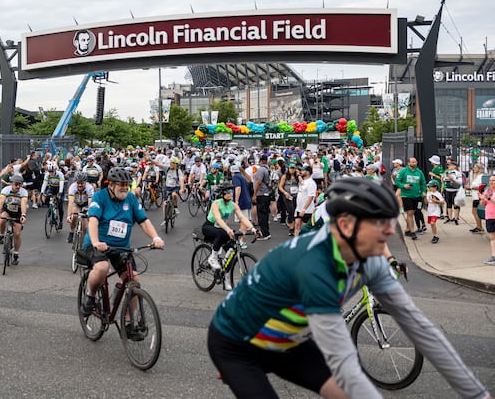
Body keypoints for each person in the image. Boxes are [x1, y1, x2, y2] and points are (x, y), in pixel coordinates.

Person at [207, 177, 492, 399]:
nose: (391, 230)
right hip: (237, 345)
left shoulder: (371, 263)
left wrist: (478, 394)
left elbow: (422, 330)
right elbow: (344, 363)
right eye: (380, 222)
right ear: (345, 224)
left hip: (289, 342)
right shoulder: (313, 266)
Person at [79, 167, 164, 329]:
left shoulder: (131, 199)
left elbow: (143, 221)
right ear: (110, 185)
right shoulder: (100, 196)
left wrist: (156, 237)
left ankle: (127, 322)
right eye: (121, 184)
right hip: (98, 244)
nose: (125, 187)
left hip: (120, 247)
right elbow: (93, 220)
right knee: (102, 267)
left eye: (127, 184)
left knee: (134, 280)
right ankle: (90, 296)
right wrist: (96, 242)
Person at [203, 181, 256, 290]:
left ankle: (226, 278)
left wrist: (253, 228)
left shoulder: (233, 205)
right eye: (227, 191)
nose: (230, 193)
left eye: (231, 191)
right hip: (209, 227)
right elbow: (218, 219)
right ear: (222, 193)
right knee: (222, 233)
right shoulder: (216, 203)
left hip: (222, 228)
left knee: (232, 250)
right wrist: (228, 229)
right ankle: (212, 257)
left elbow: (242, 217)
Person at [0, 173, 29, 265]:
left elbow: (23, 203)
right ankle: (2, 235)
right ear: (11, 184)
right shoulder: (6, 190)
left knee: (17, 233)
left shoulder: (23, 192)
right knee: (2, 219)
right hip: (8, 209)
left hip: (18, 211)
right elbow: (1, 202)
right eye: (16, 184)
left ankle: (16, 253)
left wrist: (23, 215)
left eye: (20, 184)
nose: (18, 186)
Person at [394, 157, 426, 240]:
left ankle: (407, 229)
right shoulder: (403, 171)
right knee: (410, 212)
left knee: (413, 212)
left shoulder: (419, 172)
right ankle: (412, 232)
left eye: (415, 162)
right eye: (412, 162)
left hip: (417, 195)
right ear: (408, 163)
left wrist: (423, 191)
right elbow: (397, 181)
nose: (414, 163)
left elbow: (423, 183)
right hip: (406, 195)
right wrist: (403, 186)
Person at [66, 171, 95, 243]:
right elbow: (71, 202)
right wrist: (69, 216)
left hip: (85, 204)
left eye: (82, 183)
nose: (80, 185)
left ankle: (84, 242)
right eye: (78, 183)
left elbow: (90, 202)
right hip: (77, 203)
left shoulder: (89, 188)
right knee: (74, 216)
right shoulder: (72, 187)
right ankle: (71, 232)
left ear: (85, 182)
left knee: (85, 226)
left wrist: (89, 213)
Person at [251, 155, 272, 240]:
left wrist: (254, 194)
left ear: (260, 161)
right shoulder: (268, 169)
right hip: (267, 193)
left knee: (261, 215)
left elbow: (259, 182)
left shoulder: (261, 170)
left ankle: (264, 233)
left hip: (261, 194)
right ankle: (266, 232)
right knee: (265, 214)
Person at [293, 164, 316, 237]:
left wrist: (304, 209)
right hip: (298, 208)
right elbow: (301, 181)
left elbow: (310, 197)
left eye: (303, 170)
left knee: (304, 228)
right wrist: (298, 174)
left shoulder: (311, 183)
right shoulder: (303, 181)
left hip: (307, 210)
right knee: (296, 225)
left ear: (308, 172)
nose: (301, 172)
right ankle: (295, 243)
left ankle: (304, 245)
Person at [162, 156, 184, 226]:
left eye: (172, 163)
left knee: (174, 195)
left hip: (175, 187)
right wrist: (150, 159)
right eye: (170, 163)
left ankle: (175, 207)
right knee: (165, 204)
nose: (171, 164)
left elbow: (181, 180)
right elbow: (158, 164)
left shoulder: (178, 171)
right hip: (167, 187)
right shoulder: (167, 169)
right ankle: (165, 218)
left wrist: (181, 188)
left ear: (176, 164)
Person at [279, 163, 299, 236]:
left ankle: (295, 227)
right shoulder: (285, 176)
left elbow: (301, 183)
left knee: (296, 211)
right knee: (291, 211)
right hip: (288, 196)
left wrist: (298, 175)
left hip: (296, 195)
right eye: (291, 168)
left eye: (293, 168)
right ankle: (291, 228)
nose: (292, 170)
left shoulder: (297, 176)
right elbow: (280, 186)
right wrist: (285, 193)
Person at [442, 159, 463, 225]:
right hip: (448, 190)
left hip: (455, 190)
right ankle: (450, 218)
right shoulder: (447, 172)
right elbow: (444, 179)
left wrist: (453, 179)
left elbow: (460, 182)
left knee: (455, 204)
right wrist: (446, 179)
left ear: (454, 166)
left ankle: (456, 218)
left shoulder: (457, 173)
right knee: (449, 204)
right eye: (448, 165)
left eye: (450, 165)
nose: (449, 166)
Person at [425, 180, 445, 244]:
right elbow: (426, 202)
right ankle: (434, 235)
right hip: (430, 210)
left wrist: (436, 201)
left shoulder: (437, 194)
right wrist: (424, 197)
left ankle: (436, 236)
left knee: (433, 222)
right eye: (429, 187)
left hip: (436, 210)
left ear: (435, 187)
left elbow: (443, 201)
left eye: (430, 187)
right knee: (431, 224)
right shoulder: (428, 193)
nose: (429, 188)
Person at [482, 176, 495, 265]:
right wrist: (483, 199)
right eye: (490, 180)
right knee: (492, 237)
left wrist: (489, 198)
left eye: (493, 180)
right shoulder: (488, 191)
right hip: (489, 216)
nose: (491, 182)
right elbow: (484, 204)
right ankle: (493, 256)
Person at [469, 163, 486, 233]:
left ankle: (479, 227)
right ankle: (479, 226)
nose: (474, 169)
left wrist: (472, 187)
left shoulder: (481, 176)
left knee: (475, 212)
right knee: (474, 212)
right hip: (474, 196)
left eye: (475, 168)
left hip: (477, 196)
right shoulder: (476, 176)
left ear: (479, 169)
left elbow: (482, 186)